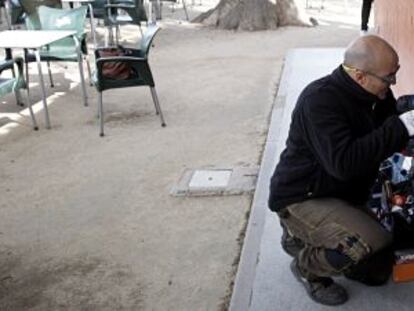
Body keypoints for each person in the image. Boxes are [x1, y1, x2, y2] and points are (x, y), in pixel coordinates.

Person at [268, 35, 414, 306]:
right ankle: (307, 268)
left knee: (377, 272)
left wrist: (406, 115)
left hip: (344, 192)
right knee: (367, 242)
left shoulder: (375, 90)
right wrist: (401, 126)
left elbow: (389, 128)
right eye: (389, 77)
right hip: (303, 196)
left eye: (396, 74)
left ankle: (305, 237)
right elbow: (344, 164)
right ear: (359, 76)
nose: (392, 83)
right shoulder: (319, 101)